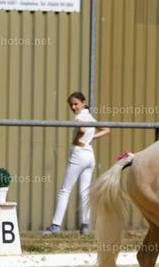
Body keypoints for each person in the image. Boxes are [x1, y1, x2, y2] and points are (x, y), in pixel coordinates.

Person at [41, 92, 110, 235]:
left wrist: (77, 139)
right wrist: (91, 139)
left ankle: (55, 225)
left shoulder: (79, 117)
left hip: (79, 155)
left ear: (83, 103)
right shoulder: (89, 117)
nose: (73, 107)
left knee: (65, 191)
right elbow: (106, 130)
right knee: (85, 191)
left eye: (76, 104)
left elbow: (82, 129)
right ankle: (85, 226)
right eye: (71, 105)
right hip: (89, 156)